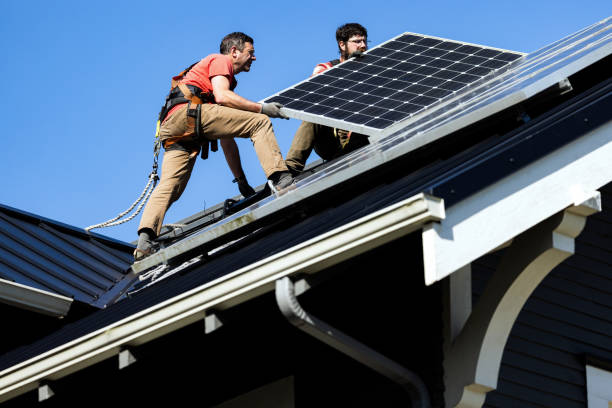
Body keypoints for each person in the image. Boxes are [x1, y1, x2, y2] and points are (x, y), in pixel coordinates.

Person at [134, 32, 292, 261]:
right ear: (234, 51)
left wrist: (241, 182)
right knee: (259, 122)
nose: (254, 58)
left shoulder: (211, 74)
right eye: (251, 52)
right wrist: (262, 108)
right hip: (189, 114)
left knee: (171, 184)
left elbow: (227, 137)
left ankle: (145, 241)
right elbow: (223, 96)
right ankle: (282, 179)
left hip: (175, 126)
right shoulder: (221, 61)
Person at [285, 23, 370, 175]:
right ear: (342, 45)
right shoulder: (327, 67)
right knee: (314, 113)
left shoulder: (373, 69)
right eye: (357, 41)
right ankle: (291, 168)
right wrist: (350, 70)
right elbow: (315, 89)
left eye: (365, 41)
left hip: (360, 137)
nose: (363, 45)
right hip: (331, 139)